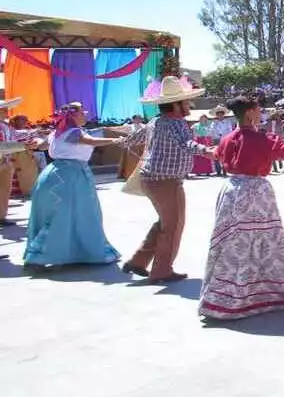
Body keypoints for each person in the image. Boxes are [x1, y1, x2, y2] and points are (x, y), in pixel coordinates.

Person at [199, 96, 284, 320]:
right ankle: (268, 294)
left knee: (232, 243)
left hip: (231, 189)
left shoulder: (227, 138)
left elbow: (217, 154)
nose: (260, 113)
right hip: (256, 192)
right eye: (257, 110)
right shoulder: (262, 139)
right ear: (249, 113)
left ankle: (223, 298)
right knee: (264, 242)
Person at [122, 76, 213, 283]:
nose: (189, 105)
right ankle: (162, 270)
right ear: (176, 105)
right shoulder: (175, 124)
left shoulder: (156, 122)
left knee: (165, 223)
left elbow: (133, 139)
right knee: (173, 225)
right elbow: (186, 144)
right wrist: (207, 151)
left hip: (153, 179)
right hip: (166, 181)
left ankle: (138, 261)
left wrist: (120, 139)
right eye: (185, 101)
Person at [23, 103, 126, 269]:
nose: (85, 113)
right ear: (73, 116)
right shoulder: (74, 132)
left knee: (63, 214)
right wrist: (117, 140)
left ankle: (43, 253)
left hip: (51, 175)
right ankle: (66, 252)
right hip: (71, 177)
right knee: (80, 214)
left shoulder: (56, 133)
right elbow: (89, 141)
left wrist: (33, 141)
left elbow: (40, 145)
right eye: (82, 111)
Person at [0, 97, 26, 226]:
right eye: (3, 109)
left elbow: (16, 136)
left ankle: (1, 217)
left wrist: (31, 135)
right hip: (3, 159)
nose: (6, 111)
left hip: (6, 160)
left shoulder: (6, 126)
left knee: (5, 190)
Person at [207, 106, 235, 176]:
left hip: (225, 139)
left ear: (223, 114)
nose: (220, 115)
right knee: (216, 154)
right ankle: (218, 170)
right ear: (216, 115)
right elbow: (210, 131)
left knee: (224, 154)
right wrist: (215, 130)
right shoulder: (213, 123)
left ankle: (225, 169)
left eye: (221, 114)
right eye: (218, 114)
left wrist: (227, 137)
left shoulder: (228, 122)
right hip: (216, 139)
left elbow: (230, 130)